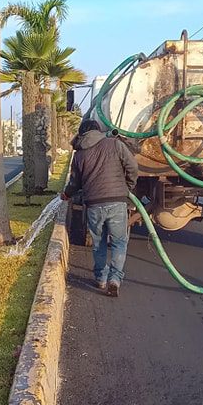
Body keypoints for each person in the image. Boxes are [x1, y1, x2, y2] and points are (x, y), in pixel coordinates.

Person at [62, 118, 139, 296]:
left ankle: (101, 279)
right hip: (117, 201)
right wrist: (128, 186)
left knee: (98, 243)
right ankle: (115, 279)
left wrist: (66, 194)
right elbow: (132, 166)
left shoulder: (79, 155)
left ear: (82, 134)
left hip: (94, 204)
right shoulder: (115, 144)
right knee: (119, 242)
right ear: (98, 130)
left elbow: (74, 183)